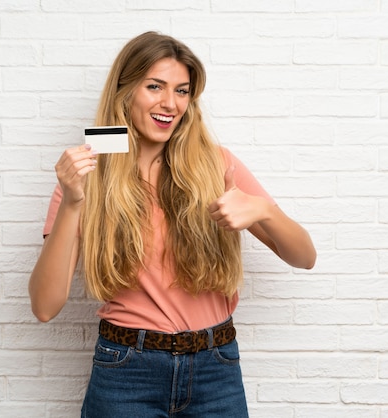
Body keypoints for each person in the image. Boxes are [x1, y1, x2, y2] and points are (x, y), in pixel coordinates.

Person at [28, 31, 316, 418]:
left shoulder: (216, 164)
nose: (170, 103)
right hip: (125, 372)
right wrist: (74, 202)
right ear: (124, 91)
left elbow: (305, 257)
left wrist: (263, 210)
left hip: (216, 370)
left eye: (182, 91)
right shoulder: (87, 175)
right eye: (154, 86)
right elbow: (45, 306)